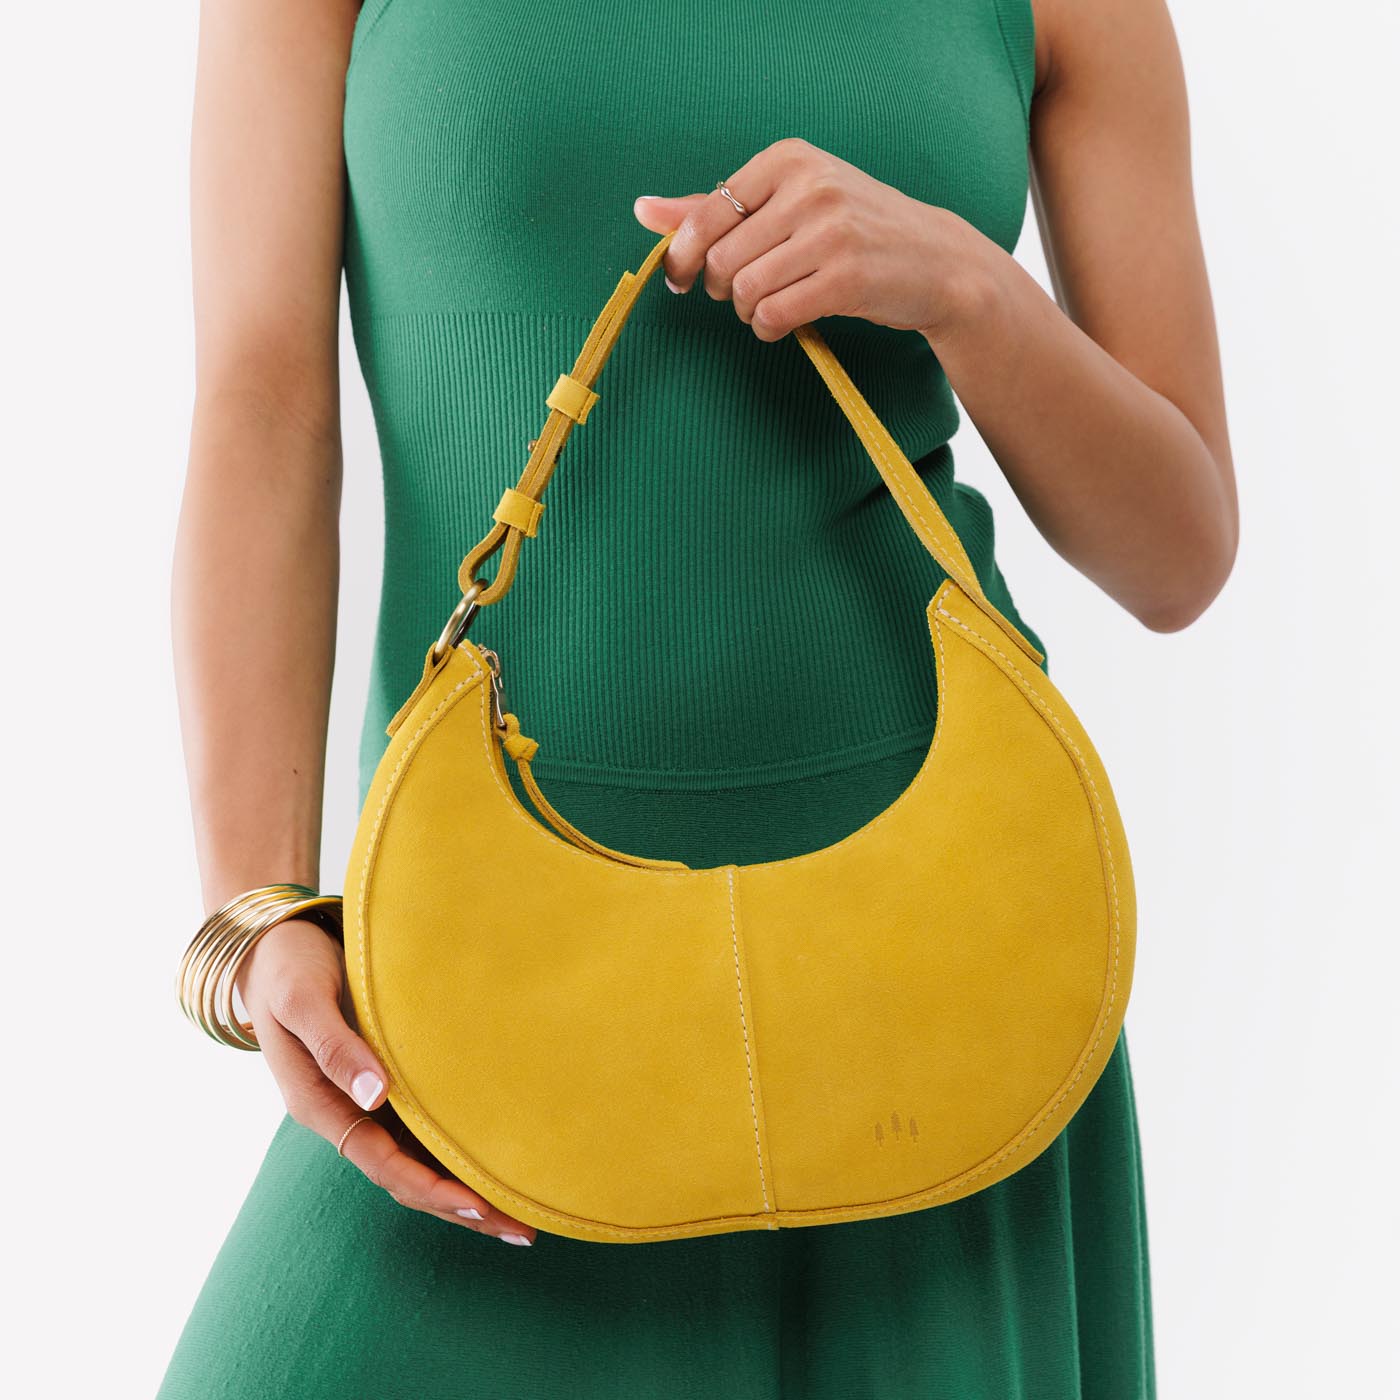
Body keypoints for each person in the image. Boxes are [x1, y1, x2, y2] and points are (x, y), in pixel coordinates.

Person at [160, 0, 1236, 1394]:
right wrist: (253, 908)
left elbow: (1177, 555)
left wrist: (971, 292)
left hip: (942, 984)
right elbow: (264, 404)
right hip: (482, 970)